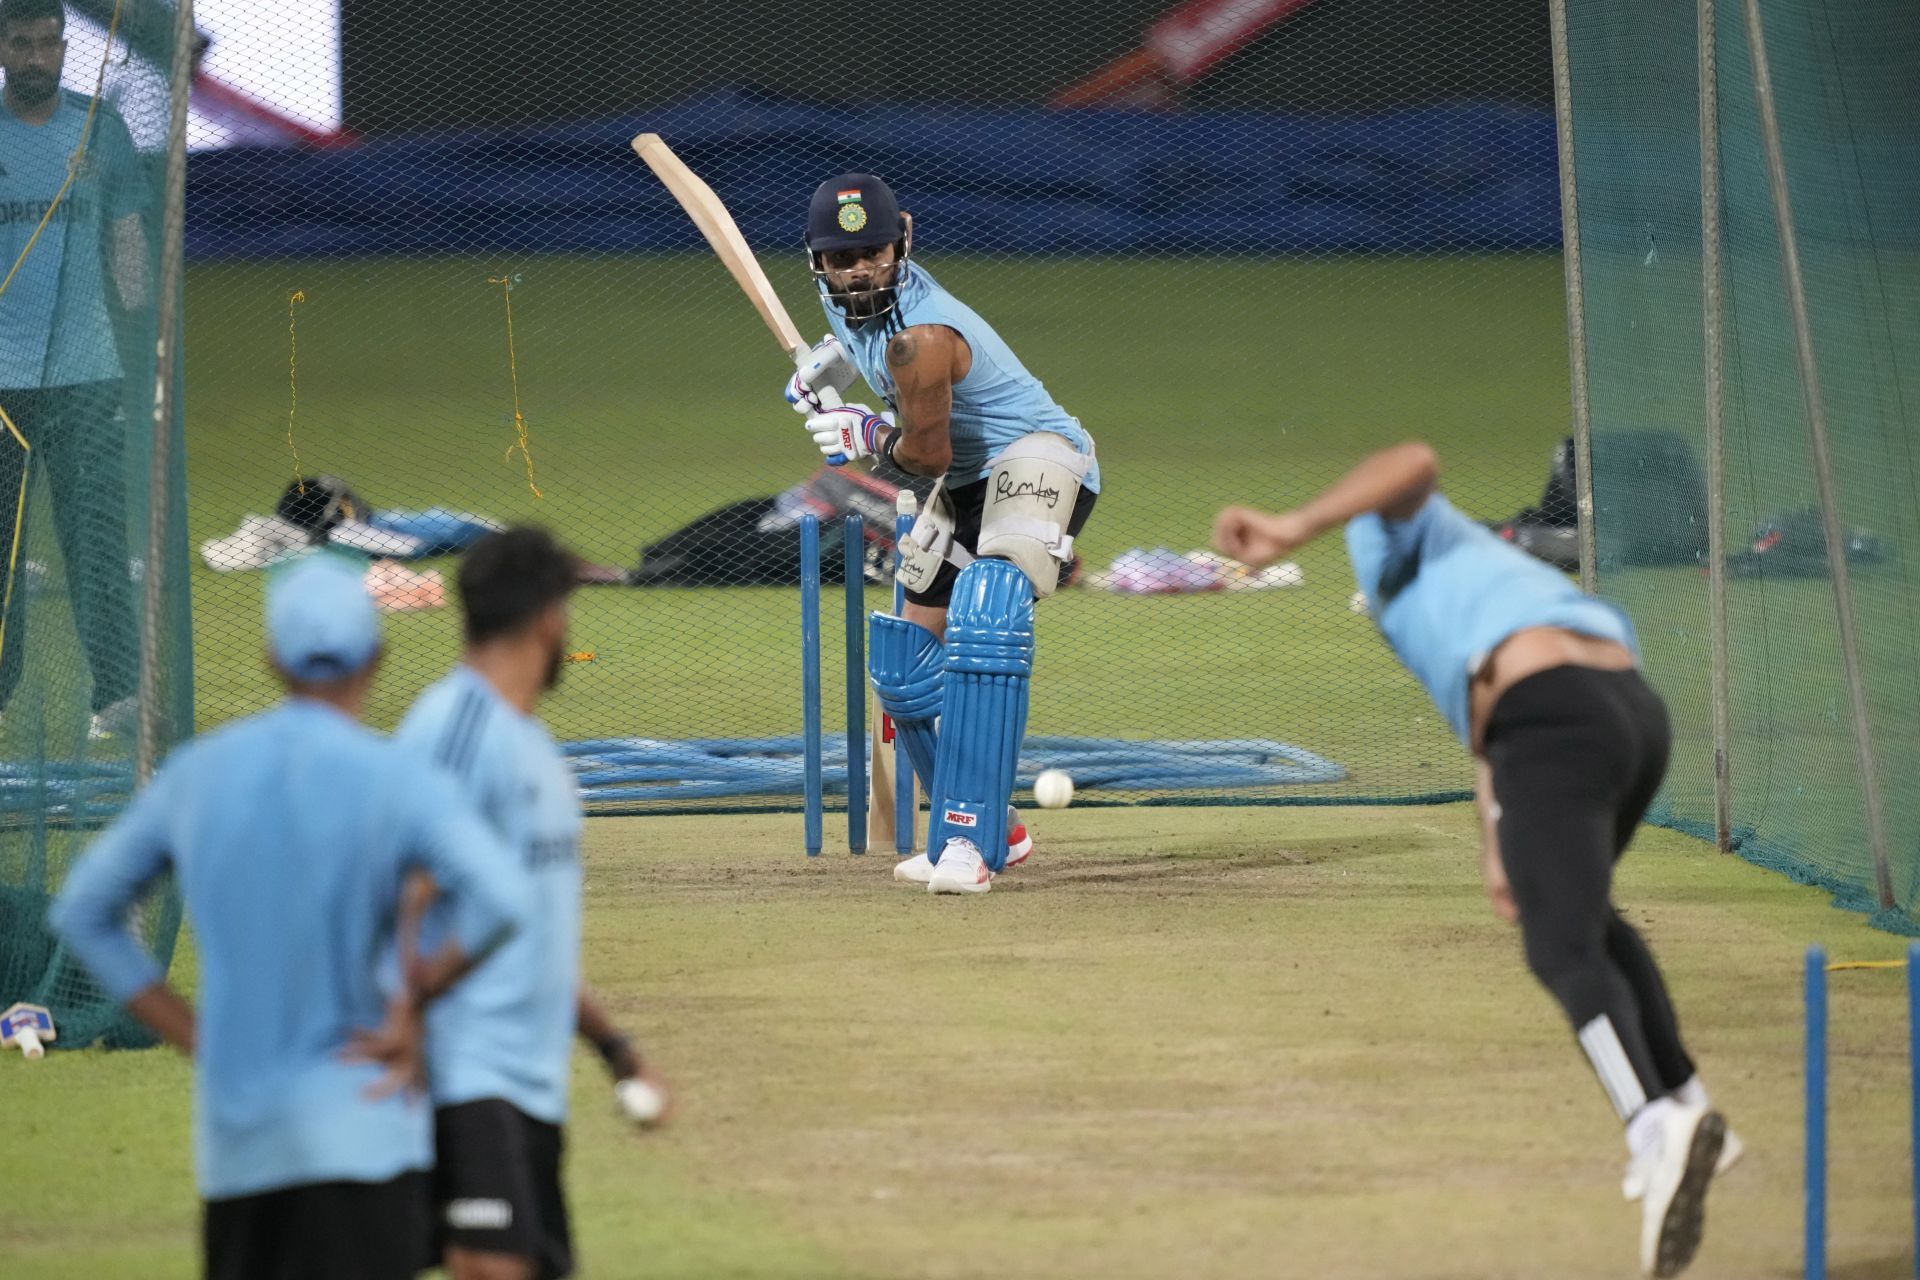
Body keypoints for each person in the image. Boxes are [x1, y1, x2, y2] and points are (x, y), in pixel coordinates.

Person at [1212, 442, 1739, 1279]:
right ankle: (1686, 1101)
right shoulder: (1461, 585)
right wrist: (1500, 841)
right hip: (1628, 715)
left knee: (1560, 948)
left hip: (1556, 716)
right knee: (1581, 918)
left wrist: (1294, 525)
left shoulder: (1394, 538)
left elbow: (1410, 460)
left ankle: (1652, 1128)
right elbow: (1488, 704)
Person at [49, 552, 531, 1280]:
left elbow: (86, 911)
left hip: (245, 1145)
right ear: (377, 656)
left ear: (273, 659)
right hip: (369, 1131)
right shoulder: (400, 779)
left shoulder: (199, 775)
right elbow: (502, 899)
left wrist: (196, 1036)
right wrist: (414, 1002)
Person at [786, 172, 1100, 894]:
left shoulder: (924, 335)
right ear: (818, 264)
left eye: (873, 252)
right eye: (842, 257)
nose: (859, 268)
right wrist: (827, 371)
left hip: (1039, 457)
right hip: (964, 485)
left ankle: (964, 841)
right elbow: (895, 396)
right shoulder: (847, 311)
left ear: (902, 243)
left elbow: (923, 453)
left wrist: (865, 430)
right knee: (901, 663)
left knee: (987, 604)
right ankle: (1002, 832)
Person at [395, 527, 666, 1280]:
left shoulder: (532, 749)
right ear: (550, 617)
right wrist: (398, 1030)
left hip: (530, 1082)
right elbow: (397, 897)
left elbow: (530, 930)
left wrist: (613, 1048)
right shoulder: (456, 730)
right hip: (461, 1070)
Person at [0, 0, 150, 738]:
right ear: (1, 49)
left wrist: (147, 346)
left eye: (47, 43)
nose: (36, 57)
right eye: (21, 44)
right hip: (0, 382)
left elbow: (127, 242)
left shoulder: (103, 130)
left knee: (95, 538)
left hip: (89, 374)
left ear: (65, 47)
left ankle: (117, 697)